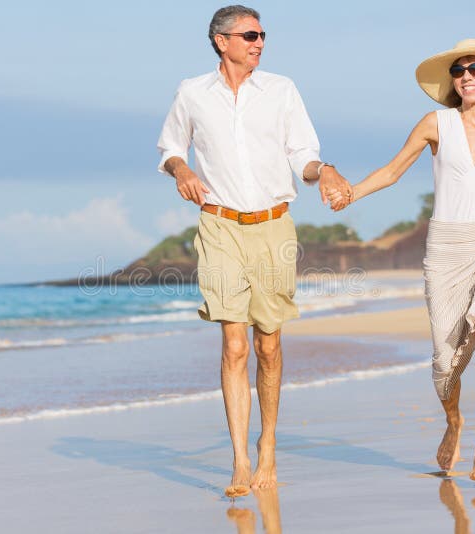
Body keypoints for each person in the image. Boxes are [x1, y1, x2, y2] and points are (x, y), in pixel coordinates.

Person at [157, 5, 352, 496]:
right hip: (219, 225)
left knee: (268, 344)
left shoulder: (281, 90)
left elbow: (303, 156)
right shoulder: (192, 92)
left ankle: (268, 443)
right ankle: (241, 459)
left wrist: (324, 170)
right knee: (234, 343)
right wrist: (181, 171)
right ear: (222, 41)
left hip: (273, 227)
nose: (259, 42)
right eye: (249, 35)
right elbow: (170, 146)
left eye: (262, 35)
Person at [328, 39, 475, 481]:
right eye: (460, 70)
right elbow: (391, 171)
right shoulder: (435, 124)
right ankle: (454, 421)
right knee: (445, 366)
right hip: (445, 249)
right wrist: (351, 193)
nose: (468, 76)